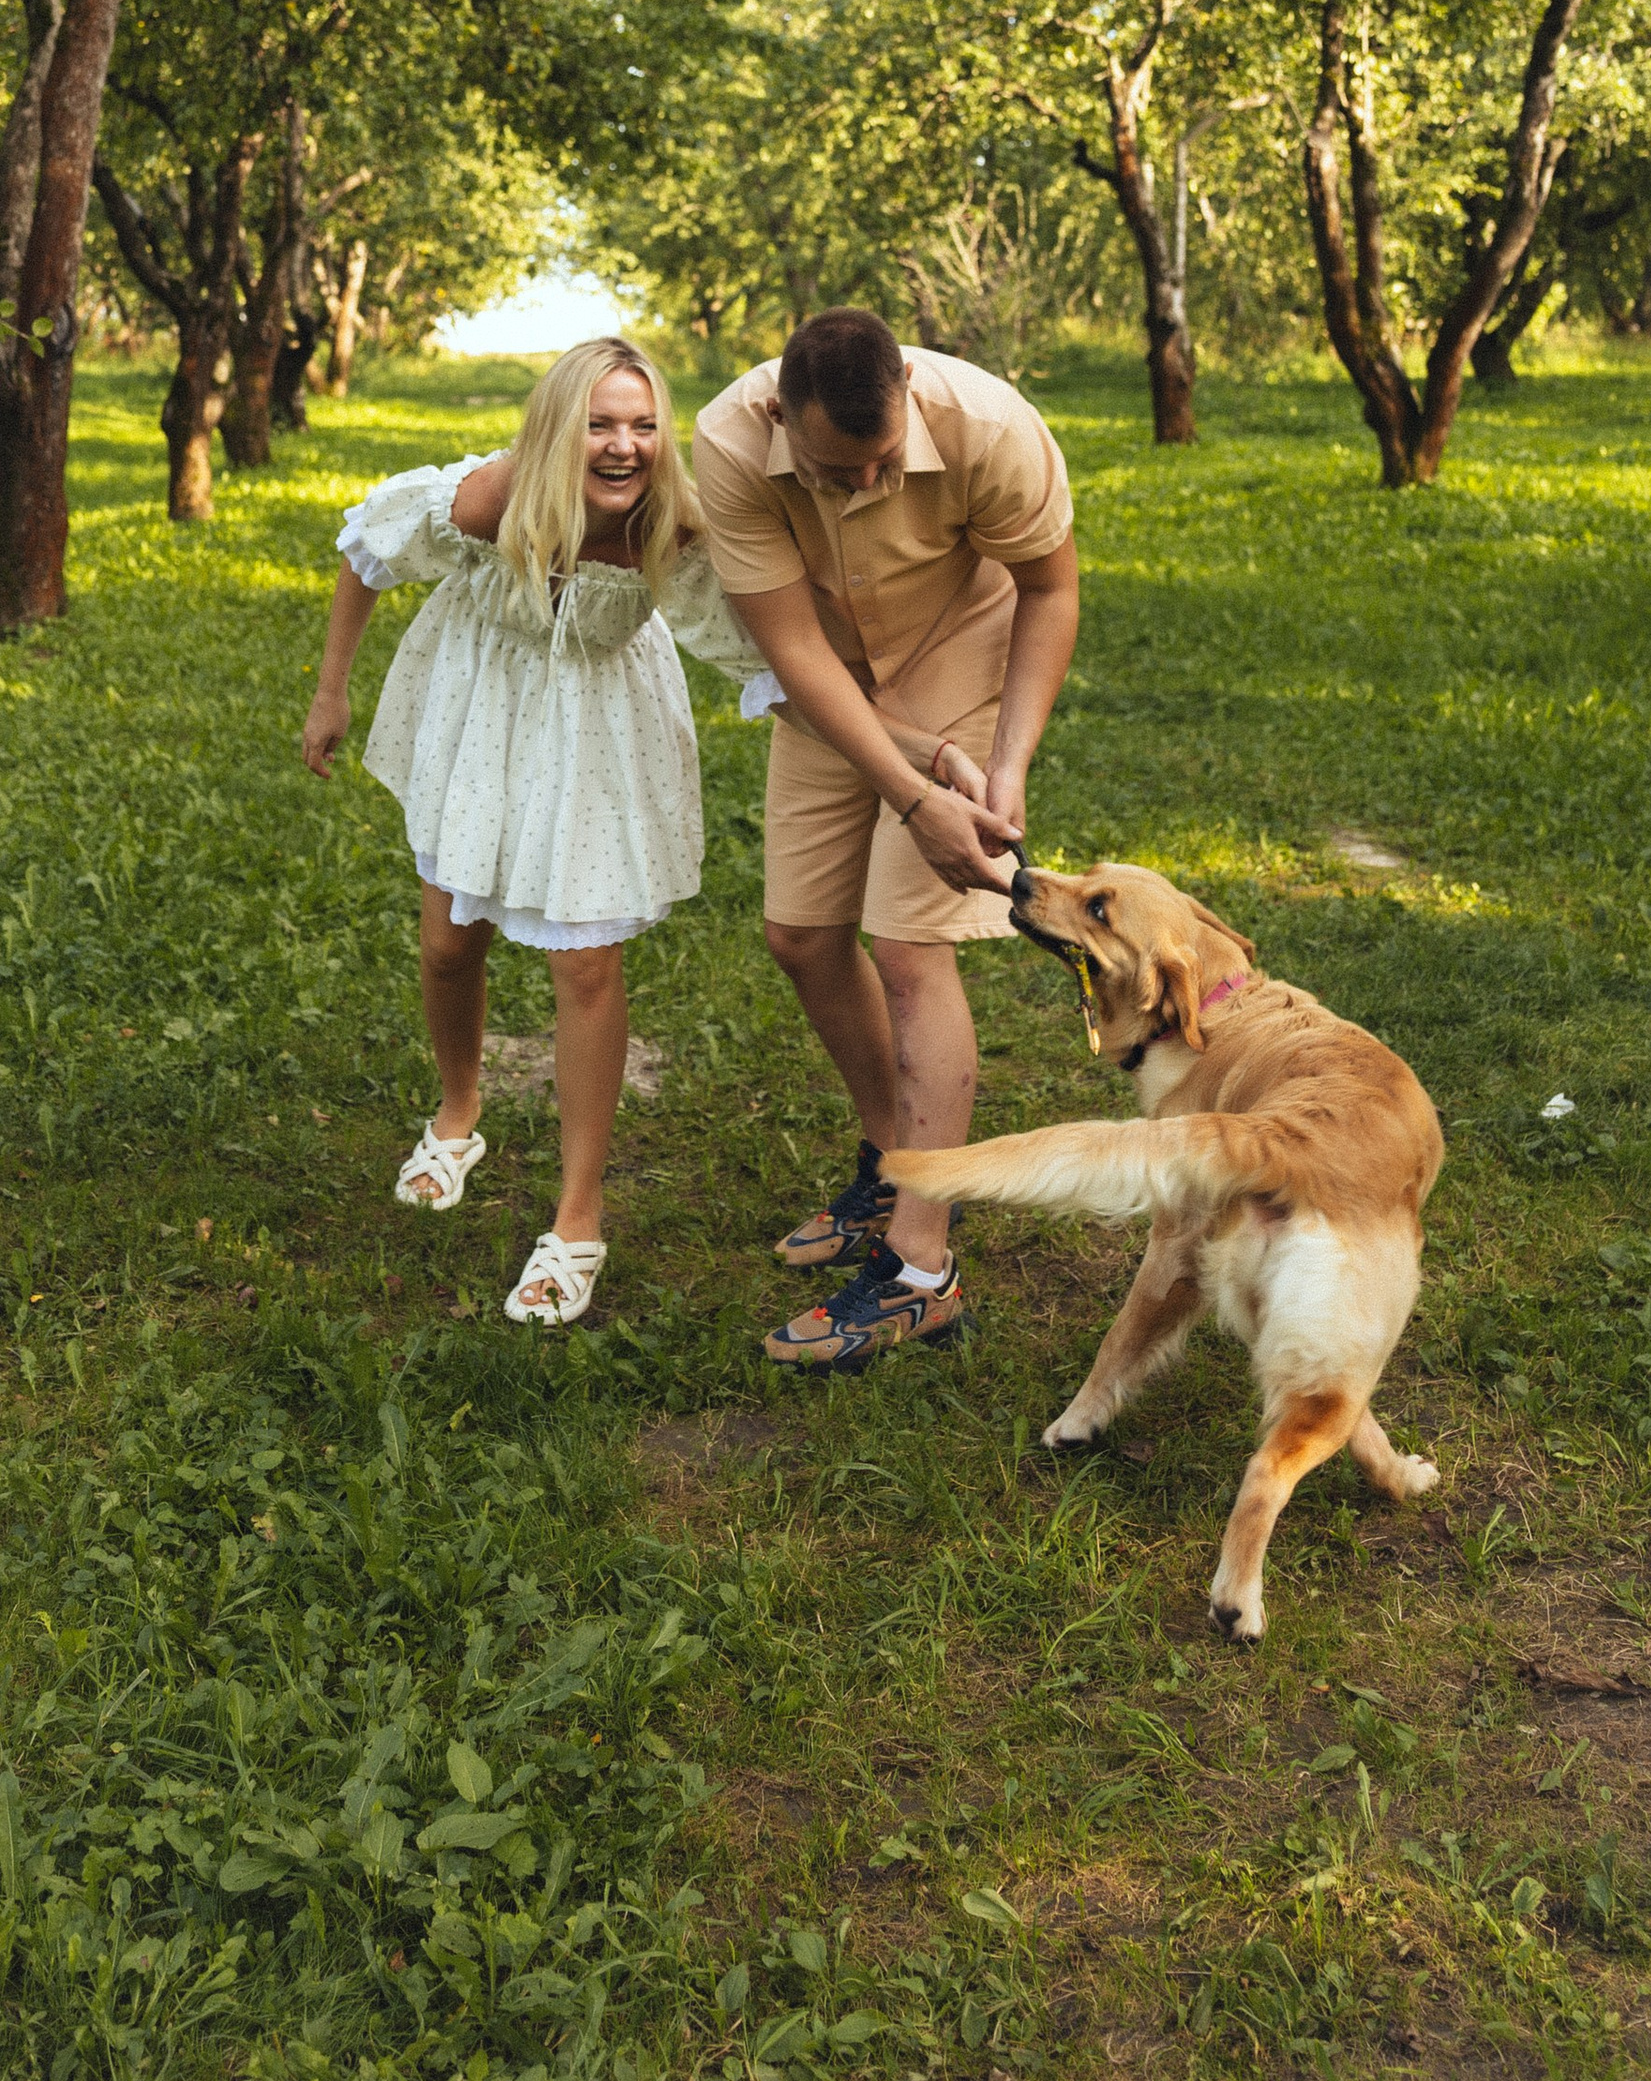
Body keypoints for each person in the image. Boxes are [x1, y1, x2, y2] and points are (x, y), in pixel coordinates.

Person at [300, 336, 767, 1329]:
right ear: (561, 428)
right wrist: (330, 691)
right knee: (447, 941)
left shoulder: (667, 525)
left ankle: (577, 1217)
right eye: (601, 423)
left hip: (596, 727)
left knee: (585, 966)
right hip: (480, 709)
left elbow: (755, 642)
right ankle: (458, 1110)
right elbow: (368, 553)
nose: (624, 445)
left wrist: (875, 733)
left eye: (643, 424)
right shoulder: (488, 499)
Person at [691, 307, 1080, 1371]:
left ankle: (920, 1268)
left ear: (907, 389)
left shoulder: (990, 429)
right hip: (834, 677)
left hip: (962, 651)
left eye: (878, 464)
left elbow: (1050, 587)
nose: (861, 486)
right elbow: (791, 649)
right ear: (780, 413)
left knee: (910, 948)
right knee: (801, 934)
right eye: (831, 469)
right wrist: (910, 794)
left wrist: (1002, 766)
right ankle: (892, 1161)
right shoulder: (728, 443)